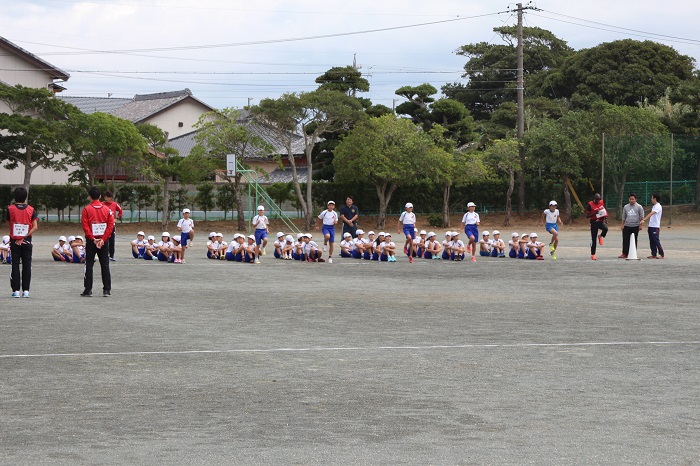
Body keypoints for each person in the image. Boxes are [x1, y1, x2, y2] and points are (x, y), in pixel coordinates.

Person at [81, 186, 114, 297]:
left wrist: (93, 239)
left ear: (89, 197)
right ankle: (107, 290)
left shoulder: (86, 209)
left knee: (89, 264)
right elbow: (110, 226)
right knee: (105, 264)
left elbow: (85, 226)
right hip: (103, 241)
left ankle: (88, 289)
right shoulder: (107, 210)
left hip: (92, 241)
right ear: (100, 196)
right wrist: (103, 239)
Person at [8, 186, 39, 298]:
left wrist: (18, 237)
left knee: (15, 265)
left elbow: (10, 223)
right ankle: (26, 290)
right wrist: (24, 237)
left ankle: (15, 290)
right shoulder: (31, 210)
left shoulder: (10, 209)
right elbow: (35, 227)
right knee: (27, 265)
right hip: (27, 241)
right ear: (26, 197)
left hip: (14, 241)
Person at [620, 193, 644, 259]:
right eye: (630, 199)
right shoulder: (626, 207)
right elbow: (623, 217)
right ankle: (625, 253)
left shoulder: (639, 207)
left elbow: (641, 217)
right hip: (627, 225)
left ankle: (633, 252)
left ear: (635, 199)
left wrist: (640, 225)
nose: (631, 200)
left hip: (635, 226)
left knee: (634, 239)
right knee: (625, 239)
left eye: (633, 199)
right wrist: (622, 225)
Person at [640, 193, 664, 259]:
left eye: (652, 198)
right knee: (651, 240)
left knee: (656, 240)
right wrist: (649, 226)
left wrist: (644, 220)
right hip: (651, 226)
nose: (651, 200)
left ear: (655, 199)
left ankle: (661, 254)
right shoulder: (654, 206)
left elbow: (651, 214)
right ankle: (654, 254)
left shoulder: (658, 206)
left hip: (655, 227)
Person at [586, 193, 608, 261]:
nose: (598, 201)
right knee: (593, 239)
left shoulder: (601, 202)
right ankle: (593, 254)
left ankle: (601, 236)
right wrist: (594, 213)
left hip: (600, 221)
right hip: (594, 222)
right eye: (597, 200)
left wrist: (606, 218)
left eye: (599, 199)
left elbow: (603, 211)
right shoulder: (590, 204)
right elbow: (587, 216)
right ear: (594, 199)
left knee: (605, 229)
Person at [102, 191, 122, 261]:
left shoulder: (115, 204)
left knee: (111, 241)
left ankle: (111, 255)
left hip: (111, 225)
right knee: (103, 240)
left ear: (111, 198)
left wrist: (117, 218)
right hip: (103, 225)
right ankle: (103, 255)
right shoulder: (102, 204)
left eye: (107, 197)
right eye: (105, 197)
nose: (106, 198)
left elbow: (120, 211)